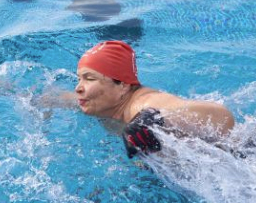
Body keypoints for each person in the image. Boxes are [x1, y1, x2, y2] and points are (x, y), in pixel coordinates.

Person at [74, 40, 235, 157]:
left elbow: (222, 117)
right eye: (79, 78)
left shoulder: (142, 103)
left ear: (122, 85)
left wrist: (153, 118)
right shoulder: (102, 104)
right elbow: (67, 99)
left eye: (90, 79)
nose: (78, 88)